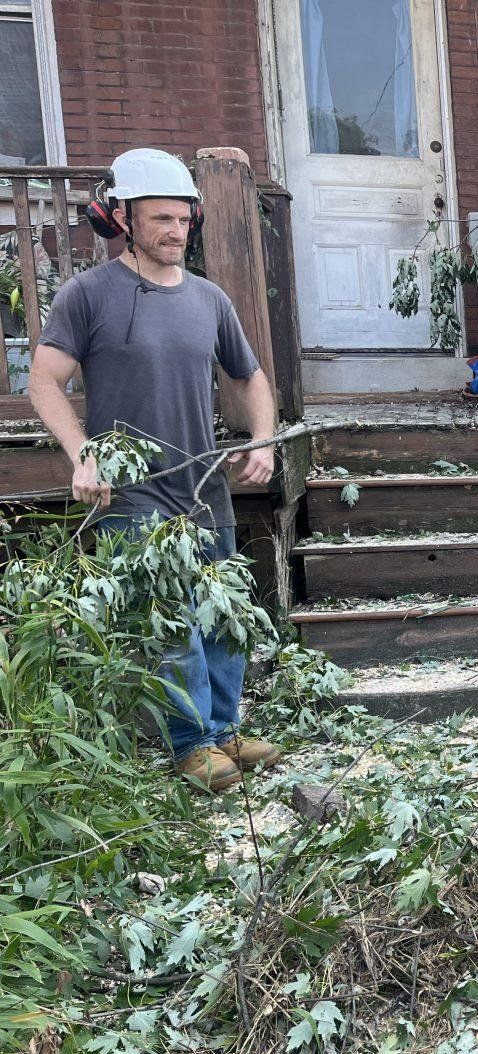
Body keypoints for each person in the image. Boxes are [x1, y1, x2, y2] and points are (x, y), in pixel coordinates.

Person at [28, 147, 283, 794]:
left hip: (203, 486)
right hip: (134, 492)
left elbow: (250, 377)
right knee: (171, 620)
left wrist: (264, 439)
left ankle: (225, 729)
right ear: (121, 217)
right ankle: (190, 743)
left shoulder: (209, 299)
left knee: (225, 612)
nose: (176, 232)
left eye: (184, 220)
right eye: (161, 219)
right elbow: (44, 382)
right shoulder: (86, 296)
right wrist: (82, 450)